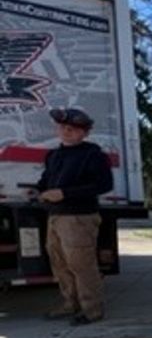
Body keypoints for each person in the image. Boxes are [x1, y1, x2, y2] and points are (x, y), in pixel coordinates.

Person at [34, 107, 114, 325]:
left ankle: (92, 310)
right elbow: (46, 181)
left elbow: (104, 185)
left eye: (73, 128)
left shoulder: (93, 155)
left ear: (84, 133)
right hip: (56, 217)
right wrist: (37, 191)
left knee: (82, 265)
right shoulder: (54, 155)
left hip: (79, 218)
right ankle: (71, 304)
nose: (66, 131)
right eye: (62, 127)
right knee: (60, 264)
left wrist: (64, 193)